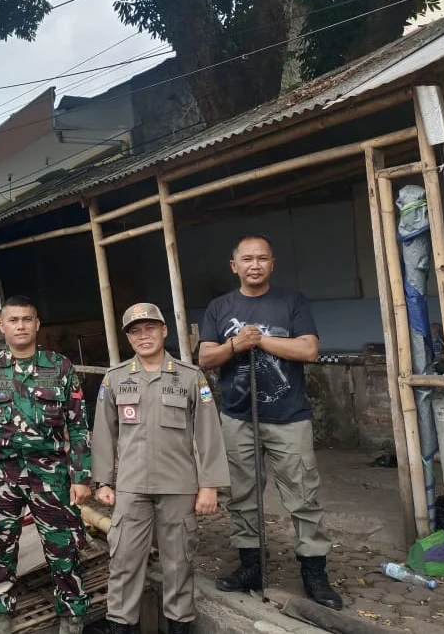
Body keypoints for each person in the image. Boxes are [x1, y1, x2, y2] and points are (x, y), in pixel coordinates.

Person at [198, 235, 342, 610]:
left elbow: (308, 349)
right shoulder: (218, 307)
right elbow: (206, 358)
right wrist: (234, 347)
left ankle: (314, 572)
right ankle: (251, 568)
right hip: (236, 416)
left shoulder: (291, 301)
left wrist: (258, 342)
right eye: (247, 259)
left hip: (288, 416)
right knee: (243, 495)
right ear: (235, 266)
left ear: (272, 263)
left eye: (262, 258)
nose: (255, 265)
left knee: (303, 495)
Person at [95, 303, 230, 634]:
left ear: (164, 330)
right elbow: (103, 433)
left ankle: (179, 625)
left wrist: (209, 485)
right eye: (136, 331)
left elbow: (208, 432)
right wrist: (102, 482)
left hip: (179, 486)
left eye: (150, 328)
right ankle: (122, 626)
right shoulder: (115, 379)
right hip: (130, 487)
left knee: (178, 563)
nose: (144, 336)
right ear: (128, 338)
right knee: (124, 563)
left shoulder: (189, 376)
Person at [0, 295, 93, 634]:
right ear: (2, 325)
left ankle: (71, 614)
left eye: (27, 319)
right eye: (14, 320)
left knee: (63, 545)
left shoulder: (60, 367)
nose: (20, 326)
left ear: (37, 325)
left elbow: (78, 425)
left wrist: (81, 477)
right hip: (1, 475)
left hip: (50, 474)